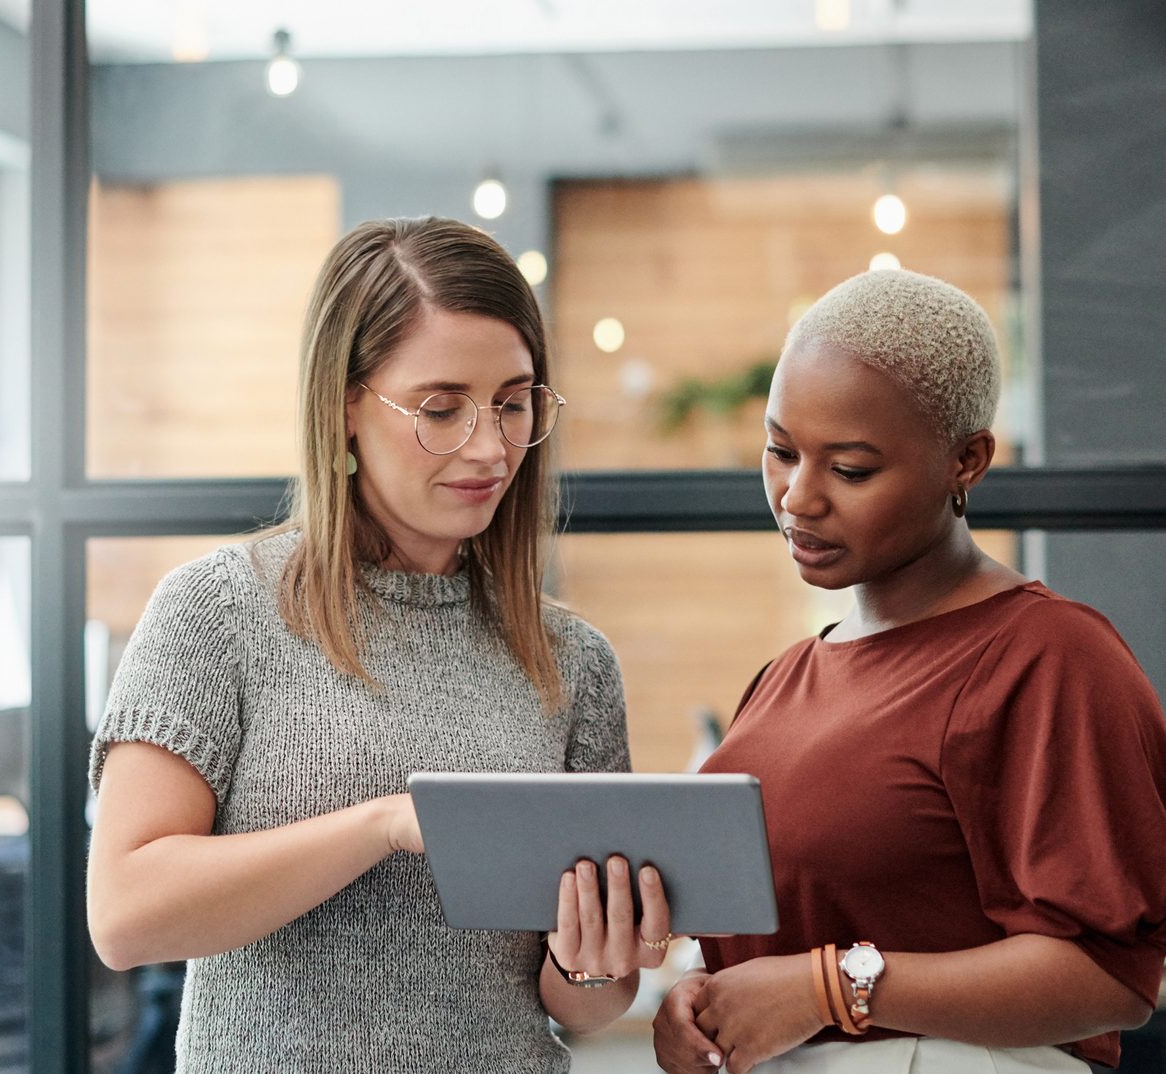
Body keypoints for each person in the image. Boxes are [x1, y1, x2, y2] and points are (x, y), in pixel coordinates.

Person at [86, 216, 672, 1073]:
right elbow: (126, 914)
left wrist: (595, 953)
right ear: (345, 406)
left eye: (514, 403)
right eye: (441, 409)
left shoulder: (570, 658)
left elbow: (586, 1006)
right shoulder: (218, 611)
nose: (489, 446)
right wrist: (385, 825)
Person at [653, 269, 1166, 1074]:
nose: (798, 497)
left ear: (967, 460)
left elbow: (1110, 975)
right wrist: (698, 995)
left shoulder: (1050, 660)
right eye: (780, 450)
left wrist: (830, 989)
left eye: (850, 469)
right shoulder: (785, 679)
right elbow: (765, 941)